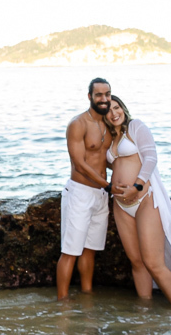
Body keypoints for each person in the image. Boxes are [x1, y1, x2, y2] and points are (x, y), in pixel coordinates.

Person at [104, 95, 171, 305]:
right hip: (120, 204)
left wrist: (136, 187)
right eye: (108, 110)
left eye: (117, 107)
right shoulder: (108, 138)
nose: (114, 113)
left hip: (144, 199)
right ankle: (145, 314)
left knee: (153, 263)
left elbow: (151, 157)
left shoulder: (136, 126)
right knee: (136, 262)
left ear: (123, 108)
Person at [57, 78, 114, 300]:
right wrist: (108, 185)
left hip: (101, 196)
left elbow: (109, 159)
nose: (104, 99)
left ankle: (87, 297)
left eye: (107, 94)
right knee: (70, 251)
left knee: (90, 250)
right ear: (90, 96)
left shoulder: (109, 124)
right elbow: (79, 164)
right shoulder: (78, 124)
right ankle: (62, 305)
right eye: (99, 95)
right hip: (80, 193)